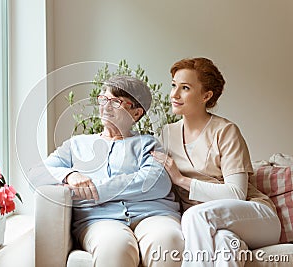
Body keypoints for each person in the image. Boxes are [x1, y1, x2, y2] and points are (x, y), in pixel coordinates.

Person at [28, 75, 184, 267]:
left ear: (136, 113)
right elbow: (36, 173)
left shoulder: (148, 143)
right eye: (103, 99)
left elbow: (155, 183)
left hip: (155, 215)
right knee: (115, 246)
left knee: (167, 240)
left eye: (116, 102)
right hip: (100, 220)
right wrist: (69, 175)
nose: (105, 106)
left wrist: (90, 191)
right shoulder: (76, 145)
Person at [151, 57, 281, 266]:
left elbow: (237, 194)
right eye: (173, 85)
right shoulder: (166, 134)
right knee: (225, 244)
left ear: (206, 96)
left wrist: (181, 179)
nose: (174, 94)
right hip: (215, 225)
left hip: (255, 217)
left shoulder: (226, 131)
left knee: (194, 216)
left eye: (184, 88)